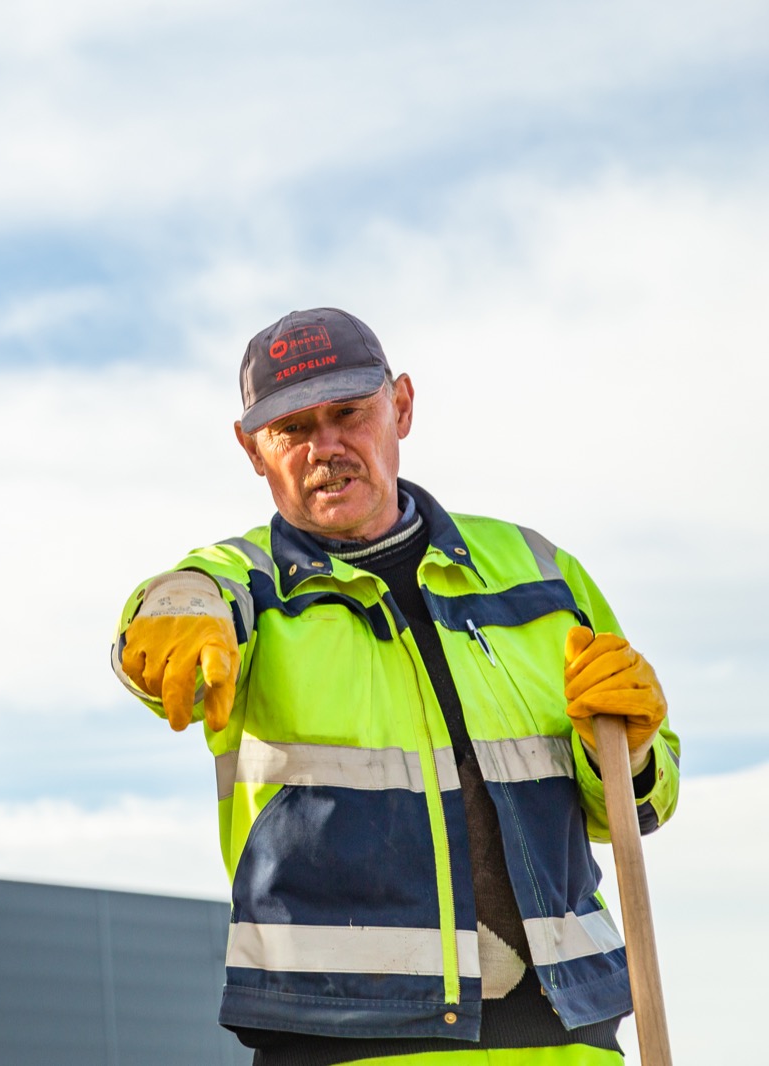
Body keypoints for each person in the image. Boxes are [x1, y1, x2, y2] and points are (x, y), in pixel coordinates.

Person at [112, 308, 678, 1065]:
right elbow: (178, 602)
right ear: (252, 449)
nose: (325, 447)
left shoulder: (540, 574)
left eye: (348, 413)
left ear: (401, 406)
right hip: (345, 1043)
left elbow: (641, 807)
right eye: (292, 428)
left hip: (570, 1040)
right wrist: (170, 615)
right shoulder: (247, 585)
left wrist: (633, 752)